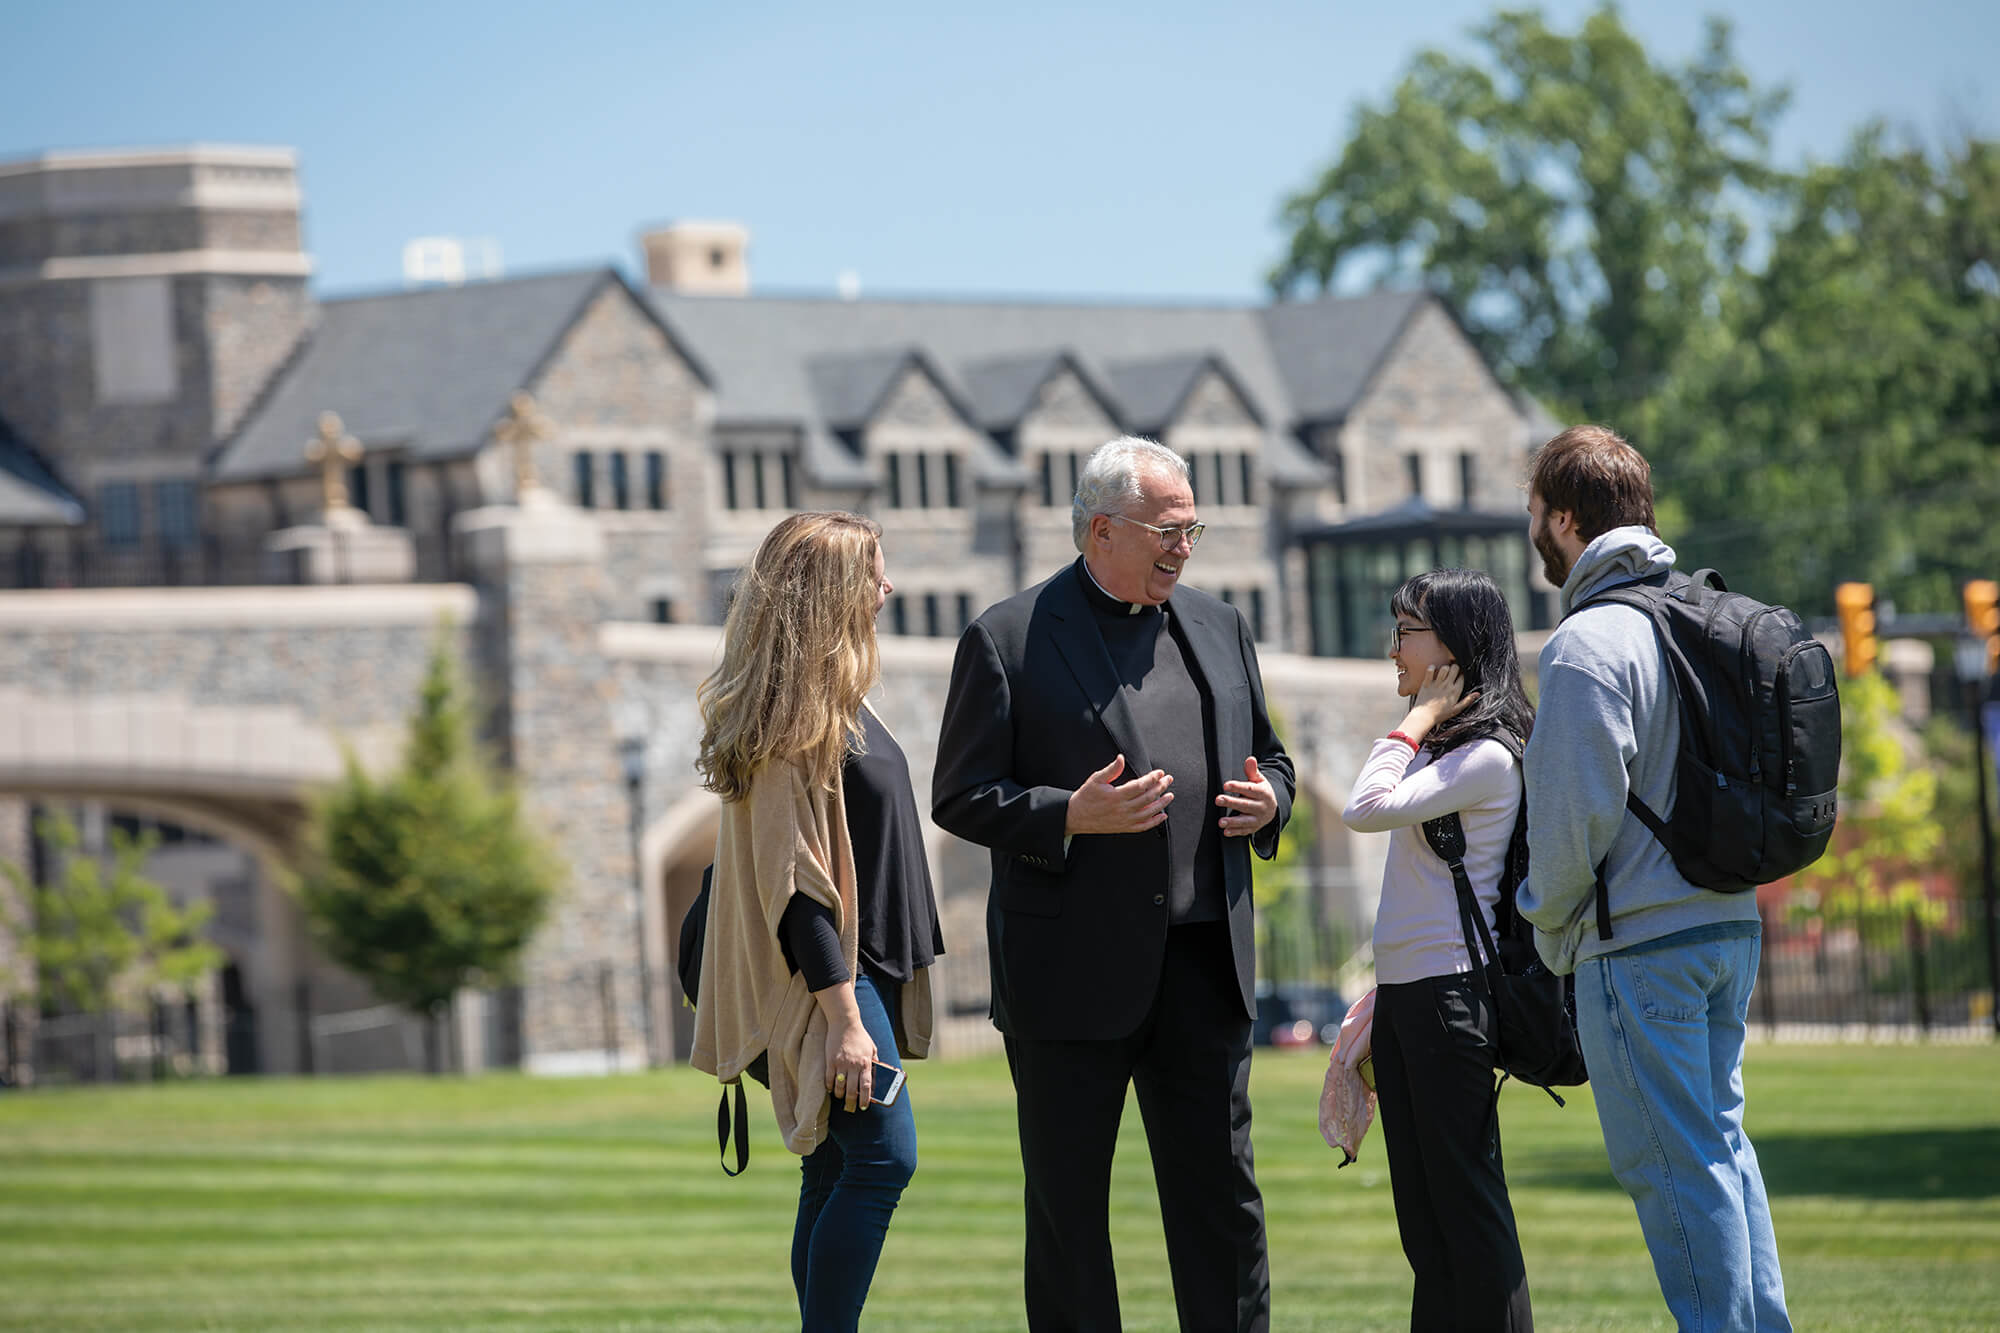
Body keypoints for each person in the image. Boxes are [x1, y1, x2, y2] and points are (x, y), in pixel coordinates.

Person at [933, 435, 1294, 1333]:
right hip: (1069, 980)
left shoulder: (1220, 624)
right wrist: (1067, 814)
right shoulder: (1008, 637)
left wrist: (1271, 800)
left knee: (1223, 1206)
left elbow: (1278, 756)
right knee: (1069, 1223)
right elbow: (960, 794)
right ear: (1102, 528)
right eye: (1167, 529)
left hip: (1206, 971)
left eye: (1192, 529)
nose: (1184, 547)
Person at [1517, 425, 1791, 1332]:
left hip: (1640, 942)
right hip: (1728, 924)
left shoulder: (1589, 640)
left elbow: (1570, 820)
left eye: (1533, 514)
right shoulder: (1695, 610)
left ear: (1563, 517)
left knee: (1675, 1169)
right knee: (1720, 1149)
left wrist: (1545, 928)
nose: (1531, 533)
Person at [691, 510, 945, 1333]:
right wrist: (845, 1019)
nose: (889, 587)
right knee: (882, 1159)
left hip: (852, 971)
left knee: (834, 1166)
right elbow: (796, 891)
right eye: (875, 570)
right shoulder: (790, 727)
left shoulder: (832, 707)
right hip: (832, 979)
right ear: (831, 590)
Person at [1340, 568, 1537, 1331]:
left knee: (1472, 1216)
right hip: (1410, 998)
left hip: (1449, 999)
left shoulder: (1485, 753)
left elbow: (1364, 807)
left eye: (1406, 631)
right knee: (1427, 1227)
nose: (1394, 648)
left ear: (1452, 647)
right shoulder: (1444, 753)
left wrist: (1417, 718)